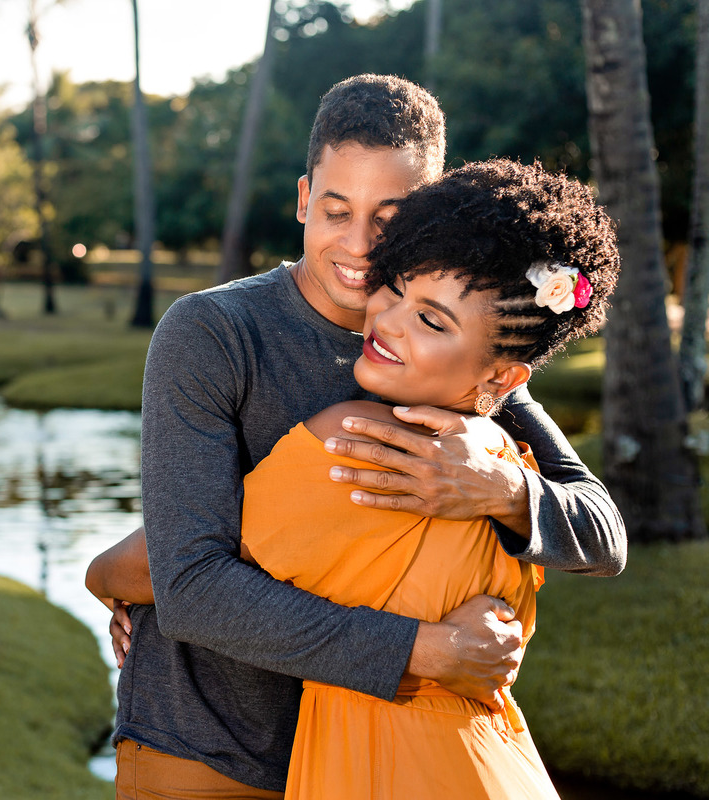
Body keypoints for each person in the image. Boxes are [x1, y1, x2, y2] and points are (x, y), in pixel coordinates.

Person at [87, 74, 626, 799]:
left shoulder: (462, 359)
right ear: (306, 199)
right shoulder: (214, 334)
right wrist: (429, 652)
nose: (362, 243)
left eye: (392, 216)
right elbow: (189, 582)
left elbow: (602, 535)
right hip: (207, 749)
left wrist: (502, 488)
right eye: (337, 210)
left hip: (372, 760)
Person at [237, 158, 618, 799]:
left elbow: (162, 567)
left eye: (432, 321)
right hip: (494, 766)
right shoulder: (509, 447)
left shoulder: (360, 439)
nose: (387, 320)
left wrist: (110, 584)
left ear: (501, 379)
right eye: (396, 287)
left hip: (397, 768)